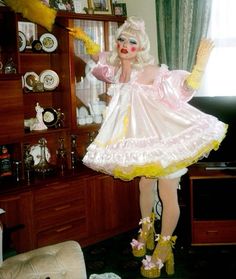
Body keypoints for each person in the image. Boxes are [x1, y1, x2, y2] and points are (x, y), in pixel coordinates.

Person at [68, 16, 227, 278]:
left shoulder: (151, 71)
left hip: (164, 139)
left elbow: (182, 90)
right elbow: (102, 64)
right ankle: (146, 227)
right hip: (140, 142)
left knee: (167, 193)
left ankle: (164, 247)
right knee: (144, 184)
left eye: (132, 41)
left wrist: (199, 67)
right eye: (121, 39)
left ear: (141, 47)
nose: (125, 45)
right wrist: (86, 41)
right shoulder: (118, 72)